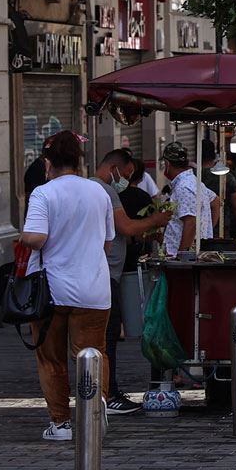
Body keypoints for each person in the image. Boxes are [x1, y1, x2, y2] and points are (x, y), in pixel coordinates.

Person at [19, 131, 115, 441]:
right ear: (78, 161)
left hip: (53, 291)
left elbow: (35, 238)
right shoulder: (98, 192)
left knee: (52, 358)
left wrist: (22, 237)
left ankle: (60, 423)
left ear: (47, 163)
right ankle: (96, 408)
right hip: (94, 289)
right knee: (93, 353)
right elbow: (108, 244)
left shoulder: (44, 194)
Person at [93, 150, 174, 412]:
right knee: (108, 336)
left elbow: (121, 234)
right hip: (105, 274)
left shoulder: (94, 189)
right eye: (126, 175)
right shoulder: (106, 190)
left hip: (105, 272)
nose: (128, 181)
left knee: (106, 335)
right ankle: (108, 393)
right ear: (114, 168)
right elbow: (126, 227)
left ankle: (104, 391)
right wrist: (157, 220)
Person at [161, 142, 217, 257]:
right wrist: (206, 230)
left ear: (167, 164)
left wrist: (182, 256)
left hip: (185, 259)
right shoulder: (195, 182)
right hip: (194, 253)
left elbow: (190, 222)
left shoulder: (184, 186)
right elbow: (216, 201)